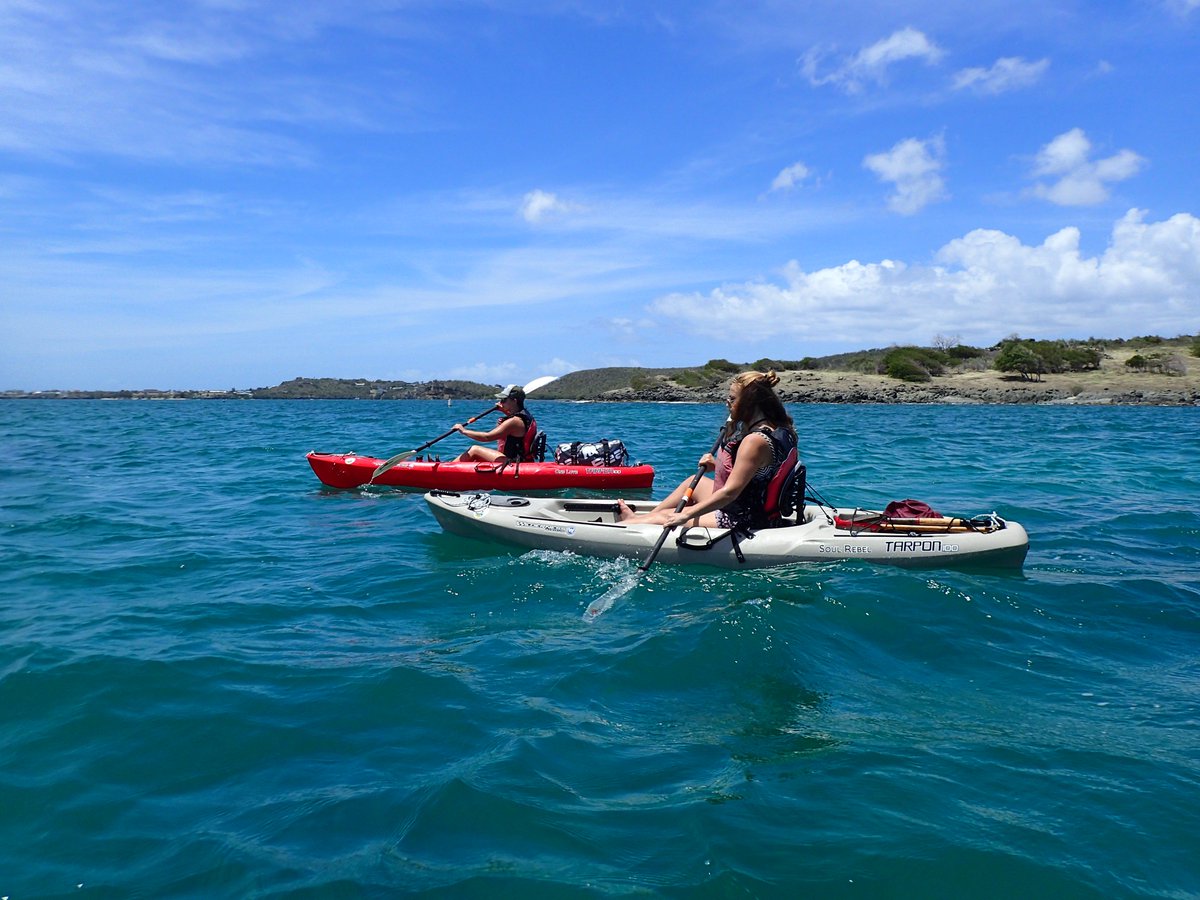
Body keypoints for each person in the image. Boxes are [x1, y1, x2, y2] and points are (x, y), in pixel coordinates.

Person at [618, 370, 798, 531]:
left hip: (741, 518)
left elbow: (730, 493)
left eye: (733, 399)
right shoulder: (780, 430)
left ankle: (633, 525)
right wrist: (718, 464)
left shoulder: (754, 441)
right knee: (691, 482)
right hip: (756, 506)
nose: (728, 403)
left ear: (750, 402)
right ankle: (639, 520)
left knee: (666, 516)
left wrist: (684, 515)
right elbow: (759, 472)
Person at [453, 384, 539, 463]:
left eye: (504, 400)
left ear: (514, 401)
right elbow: (516, 424)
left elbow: (487, 437)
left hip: (513, 462)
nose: (501, 403)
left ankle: (448, 469)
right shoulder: (526, 416)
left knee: (474, 450)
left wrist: (463, 431)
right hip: (521, 459)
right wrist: (504, 411)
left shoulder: (514, 421)